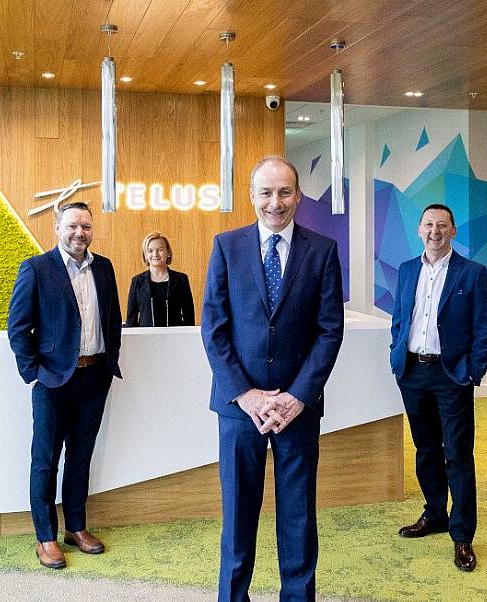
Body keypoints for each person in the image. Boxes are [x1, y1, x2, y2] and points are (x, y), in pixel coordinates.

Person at [202, 156, 344, 602]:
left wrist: (298, 397)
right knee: (238, 516)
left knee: (298, 516)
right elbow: (214, 329)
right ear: (251, 196)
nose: (275, 202)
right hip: (240, 409)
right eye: (266, 192)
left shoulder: (321, 251)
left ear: (298, 196)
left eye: (284, 192)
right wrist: (245, 396)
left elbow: (329, 331)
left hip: (297, 411)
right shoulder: (226, 247)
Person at [6, 201, 122, 569]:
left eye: (86, 227)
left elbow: (113, 319)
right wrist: (33, 372)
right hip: (53, 381)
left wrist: (108, 363)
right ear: (57, 227)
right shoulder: (37, 268)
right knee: (45, 460)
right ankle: (45, 537)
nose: (79, 233)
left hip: (94, 377)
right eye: (72, 226)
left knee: (80, 457)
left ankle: (76, 527)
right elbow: (18, 327)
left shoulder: (104, 268)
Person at [389, 203, 487, 573]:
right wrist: (395, 354)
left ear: (452, 231)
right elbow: (400, 319)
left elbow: (484, 327)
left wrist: (473, 370)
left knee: (459, 455)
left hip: (452, 376)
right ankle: (434, 514)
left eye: (442, 225)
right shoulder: (406, 270)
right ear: (419, 230)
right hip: (412, 372)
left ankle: (462, 535)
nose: (435, 231)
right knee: (426, 448)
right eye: (429, 224)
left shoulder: (472, 273)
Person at [124, 231, 195, 327]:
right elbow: (131, 319)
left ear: (168, 252)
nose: (155, 254)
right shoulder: (137, 281)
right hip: (145, 339)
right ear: (145, 255)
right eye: (150, 251)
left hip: (175, 339)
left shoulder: (181, 280)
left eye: (160, 250)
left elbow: (189, 316)